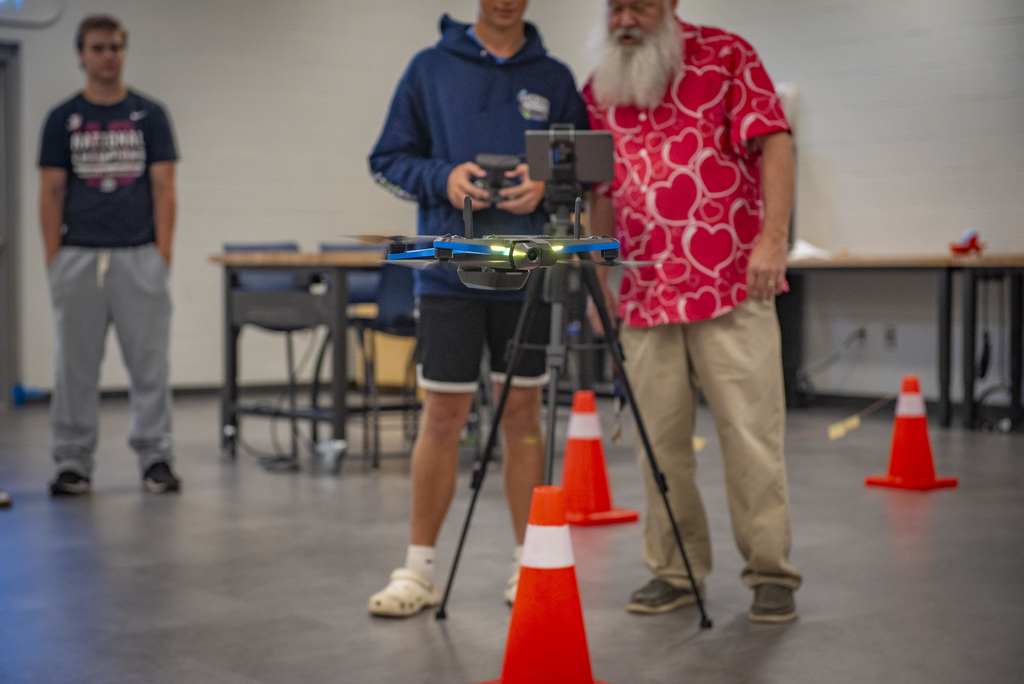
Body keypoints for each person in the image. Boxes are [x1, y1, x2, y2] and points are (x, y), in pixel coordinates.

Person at [366, 0, 589, 617]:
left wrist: (547, 182)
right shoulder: (429, 68)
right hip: (448, 268)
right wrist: (444, 178)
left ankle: (530, 565)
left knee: (522, 411)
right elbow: (385, 161)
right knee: (443, 412)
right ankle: (418, 571)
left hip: (528, 266)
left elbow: (587, 167)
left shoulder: (555, 77)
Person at [583, 0, 802, 623]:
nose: (627, 18)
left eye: (642, 6)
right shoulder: (598, 86)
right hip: (646, 292)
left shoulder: (727, 56)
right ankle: (675, 569)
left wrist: (773, 238)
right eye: (616, 6)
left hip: (731, 282)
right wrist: (601, 278)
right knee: (660, 443)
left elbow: (775, 144)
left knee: (751, 435)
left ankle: (770, 572)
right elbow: (600, 190)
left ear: (671, 6)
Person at [38, 15, 180, 496]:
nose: (107, 56)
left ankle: (155, 457)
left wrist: (162, 255)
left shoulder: (150, 115)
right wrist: (54, 259)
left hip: (138, 254)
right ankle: (73, 461)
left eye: (115, 47)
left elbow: (164, 188)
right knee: (73, 365)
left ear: (124, 52)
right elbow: (51, 192)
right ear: (81, 54)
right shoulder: (62, 119)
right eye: (98, 48)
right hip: (78, 255)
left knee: (150, 364)